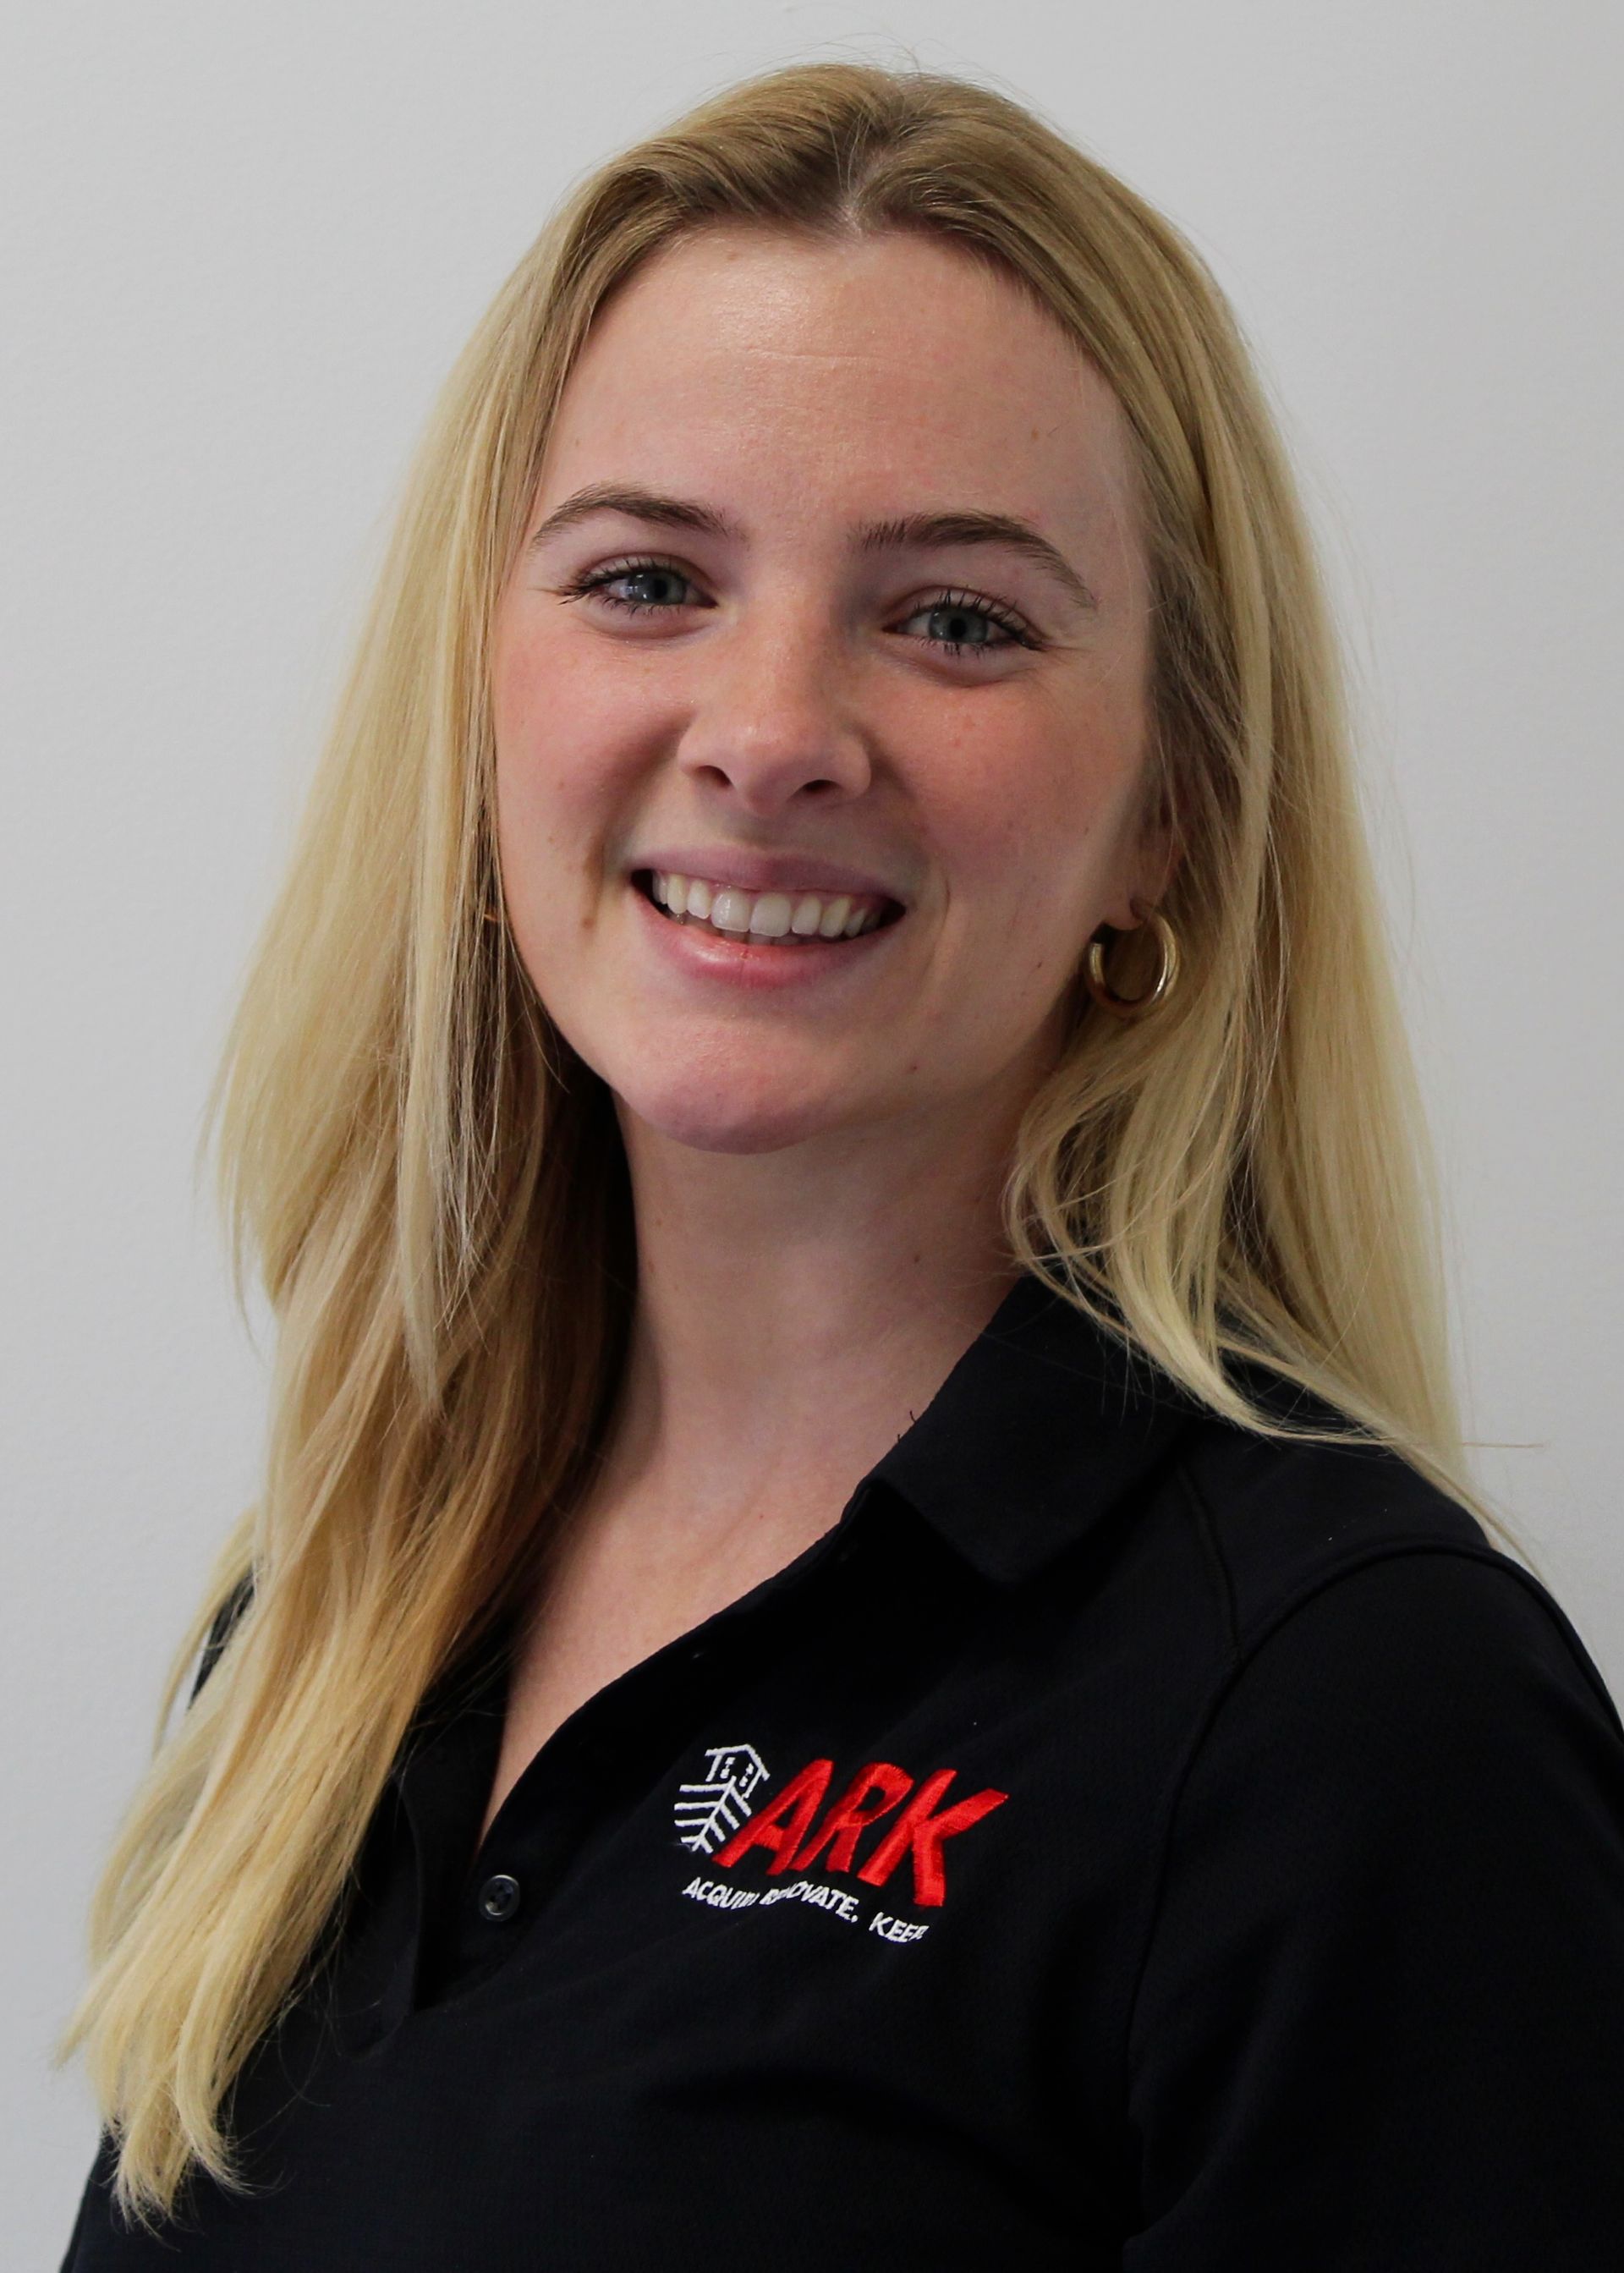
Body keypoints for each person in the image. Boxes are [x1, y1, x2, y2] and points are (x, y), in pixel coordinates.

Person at [55, 58, 1624, 2270]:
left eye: (958, 617)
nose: (774, 729)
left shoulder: (1351, 1720)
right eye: (646, 578)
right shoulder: (332, 1614)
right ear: (482, 704)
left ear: (1170, 808)